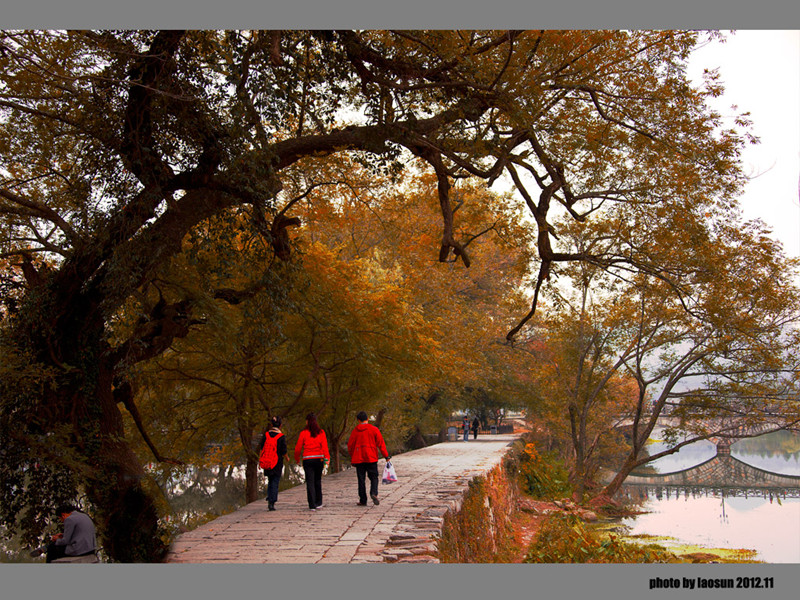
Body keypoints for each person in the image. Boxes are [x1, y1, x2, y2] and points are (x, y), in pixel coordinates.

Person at [347, 411, 390, 506]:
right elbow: (381, 443)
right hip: (371, 457)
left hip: (359, 458)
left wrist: (352, 455)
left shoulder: (355, 431)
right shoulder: (374, 429)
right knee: (374, 477)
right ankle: (373, 493)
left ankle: (363, 500)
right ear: (367, 419)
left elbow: (350, 445)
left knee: (361, 479)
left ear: (358, 420)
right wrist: (386, 456)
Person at [294, 412, 329, 511]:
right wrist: (327, 459)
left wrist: (297, 459)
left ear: (307, 422)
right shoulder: (321, 432)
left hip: (308, 459)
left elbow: (298, 448)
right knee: (317, 480)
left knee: (310, 481)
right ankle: (319, 502)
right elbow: (325, 447)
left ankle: (312, 504)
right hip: (319, 459)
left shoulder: (303, 433)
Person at [257, 416, 288, 511]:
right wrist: (286, 457)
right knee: (275, 481)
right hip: (277, 462)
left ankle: (269, 497)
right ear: (280, 425)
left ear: (271, 425)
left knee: (270, 480)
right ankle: (272, 501)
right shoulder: (281, 436)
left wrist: (260, 459)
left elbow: (262, 447)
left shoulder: (266, 435)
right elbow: (284, 450)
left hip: (267, 460)